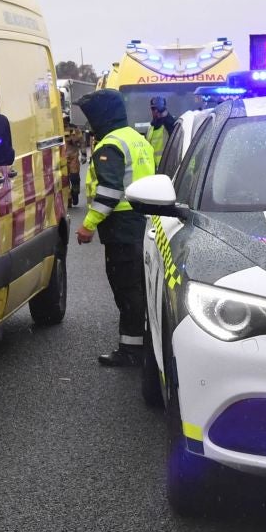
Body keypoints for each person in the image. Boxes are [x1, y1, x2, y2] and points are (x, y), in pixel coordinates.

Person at [75, 88, 154, 367]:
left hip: (121, 228)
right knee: (138, 289)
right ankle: (142, 345)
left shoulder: (110, 145)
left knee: (126, 290)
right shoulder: (137, 139)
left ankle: (132, 351)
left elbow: (109, 191)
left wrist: (87, 225)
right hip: (141, 224)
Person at [146, 94, 176, 171]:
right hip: (152, 168)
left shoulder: (168, 124)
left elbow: (171, 125)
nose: (153, 112)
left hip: (165, 168)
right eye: (152, 109)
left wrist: (164, 114)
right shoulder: (151, 127)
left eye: (155, 109)